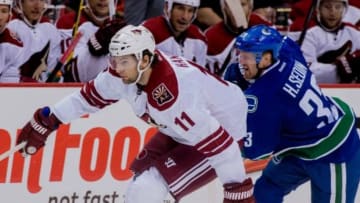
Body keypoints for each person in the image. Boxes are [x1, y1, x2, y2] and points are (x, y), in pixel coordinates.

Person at [16, 25, 254, 203]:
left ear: (146, 59)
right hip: (181, 129)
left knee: (147, 190)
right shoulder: (124, 72)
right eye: (115, 60)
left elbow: (221, 145)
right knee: (138, 184)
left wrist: (237, 187)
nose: (117, 69)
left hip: (226, 131)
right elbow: (86, 99)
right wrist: (50, 119)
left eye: (124, 62)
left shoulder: (175, 95)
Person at [226, 24, 360, 203]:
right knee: (264, 192)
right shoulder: (287, 52)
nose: (240, 61)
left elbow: (257, 152)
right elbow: (285, 40)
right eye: (240, 54)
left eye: (246, 56)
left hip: (335, 148)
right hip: (299, 146)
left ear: (266, 59)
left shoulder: (263, 97)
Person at [293, 0, 360, 83]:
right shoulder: (308, 33)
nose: (333, 12)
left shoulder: (352, 31)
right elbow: (304, 71)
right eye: (327, 7)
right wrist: (339, 68)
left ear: (344, 9)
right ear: (319, 8)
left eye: (338, 7)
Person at [7, 0, 62, 82]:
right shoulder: (10, 28)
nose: (37, 6)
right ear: (21, 3)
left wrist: (55, 81)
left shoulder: (51, 30)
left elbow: (53, 68)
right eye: (31, 0)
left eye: (41, 0)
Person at [142, 0, 208, 67]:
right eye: (180, 8)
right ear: (167, 7)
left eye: (190, 10)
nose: (185, 17)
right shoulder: (148, 32)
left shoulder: (199, 38)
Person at [204, 0, 252, 76]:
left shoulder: (262, 29)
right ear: (224, 7)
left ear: (250, 7)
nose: (237, 10)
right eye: (232, 5)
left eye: (242, 4)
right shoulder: (209, 36)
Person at [0, 0, 25, 82]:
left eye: (4, 11)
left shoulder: (14, 45)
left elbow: (9, 87)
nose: (0, 17)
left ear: (9, 16)